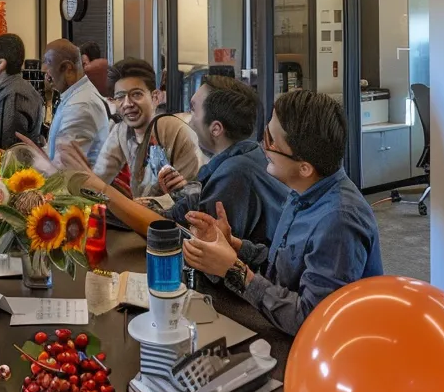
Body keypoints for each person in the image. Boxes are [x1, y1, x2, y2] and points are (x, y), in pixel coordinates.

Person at [181, 90, 380, 336]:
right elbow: (286, 265)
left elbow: (312, 321)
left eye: (272, 141)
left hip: (322, 352)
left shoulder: (339, 221)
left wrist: (235, 270)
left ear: (305, 167)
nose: (263, 146)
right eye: (266, 133)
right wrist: (235, 246)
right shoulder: (302, 191)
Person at [50, 75, 288, 246]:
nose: (191, 121)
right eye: (120, 97)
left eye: (194, 111)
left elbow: (179, 236)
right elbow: (185, 210)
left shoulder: (235, 173)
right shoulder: (245, 158)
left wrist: (99, 190)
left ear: (216, 129)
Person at [92, 58, 204, 200]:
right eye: (120, 97)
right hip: (142, 215)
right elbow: (99, 177)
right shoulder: (122, 132)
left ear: (155, 97)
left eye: (136, 94)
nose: (127, 104)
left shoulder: (175, 131)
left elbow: (192, 197)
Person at [42, 38, 109, 166]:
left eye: (48, 64)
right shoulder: (74, 95)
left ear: (67, 68)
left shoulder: (80, 105)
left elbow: (64, 165)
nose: (46, 73)